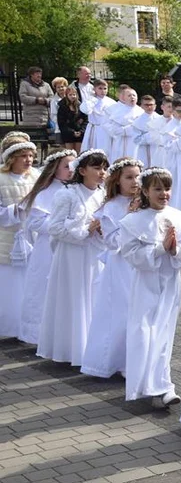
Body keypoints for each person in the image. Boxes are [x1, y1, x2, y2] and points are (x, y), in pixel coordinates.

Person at [119, 167, 181, 409]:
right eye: (158, 189)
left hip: (169, 283)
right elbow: (130, 255)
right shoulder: (133, 221)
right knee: (143, 333)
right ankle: (143, 384)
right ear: (145, 191)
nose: (164, 193)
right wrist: (160, 248)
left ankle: (163, 386)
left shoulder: (180, 218)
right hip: (145, 284)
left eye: (167, 188)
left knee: (164, 333)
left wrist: (175, 250)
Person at [36, 150, 109, 367]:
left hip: (95, 255)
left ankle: (92, 347)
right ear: (82, 170)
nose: (102, 173)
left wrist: (104, 230)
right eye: (96, 168)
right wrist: (86, 229)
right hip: (72, 257)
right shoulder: (67, 195)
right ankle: (71, 348)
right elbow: (55, 228)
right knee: (75, 299)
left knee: (94, 297)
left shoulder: (103, 194)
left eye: (104, 168)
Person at [80, 158, 142, 379]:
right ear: (117, 180)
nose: (135, 181)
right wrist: (131, 216)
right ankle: (120, 361)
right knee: (122, 312)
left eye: (137, 176)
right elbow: (113, 242)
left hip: (142, 265)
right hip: (121, 266)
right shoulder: (111, 208)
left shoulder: (145, 202)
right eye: (129, 177)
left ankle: (138, 360)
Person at [16, 150, 75, 345]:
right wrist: (64, 225)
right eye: (66, 166)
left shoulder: (76, 190)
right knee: (42, 289)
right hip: (47, 249)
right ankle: (37, 332)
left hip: (71, 248)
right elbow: (36, 223)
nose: (71, 170)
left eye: (73, 166)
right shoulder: (45, 193)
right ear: (54, 169)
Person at [0, 138, 39, 339]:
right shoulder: (1, 179)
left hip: (32, 236)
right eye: (23, 156)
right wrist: (15, 210)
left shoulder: (36, 177)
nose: (28, 160)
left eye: (31, 156)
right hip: (7, 238)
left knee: (29, 283)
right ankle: (9, 327)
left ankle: (28, 326)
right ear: (11, 159)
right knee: (9, 286)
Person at [132, 96, 170, 170]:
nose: (149, 107)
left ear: (155, 106)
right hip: (143, 151)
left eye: (151, 105)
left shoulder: (161, 119)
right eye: (146, 105)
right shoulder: (137, 121)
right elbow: (136, 139)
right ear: (141, 106)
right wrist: (150, 136)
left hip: (158, 151)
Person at [105, 88, 142, 161]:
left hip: (134, 142)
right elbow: (111, 127)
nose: (132, 97)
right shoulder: (117, 111)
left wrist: (127, 129)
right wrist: (120, 131)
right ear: (124, 98)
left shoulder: (141, 111)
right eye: (129, 95)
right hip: (120, 141)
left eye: (134, 95)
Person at [80, 80, 114, 154]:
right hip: (94, 129)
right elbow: (85, 110)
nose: (103, 91)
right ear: (94, 89)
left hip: (106, 130)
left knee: (106, 149)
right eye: (100, 88)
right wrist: (92, 101)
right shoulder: (90, 100)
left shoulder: (111, 102)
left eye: (105, 88)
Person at [57, 85, 87, 151]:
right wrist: (72, 132)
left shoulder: (80, 106)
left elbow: (85, 120)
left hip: (79, 133)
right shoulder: (62, 107)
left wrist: (81, 131)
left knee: (79, 153)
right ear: (66, 95)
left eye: (74, 94)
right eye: (70, 95)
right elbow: (62, 123)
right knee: (70, 153)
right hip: (68, 134)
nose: (73, 96)